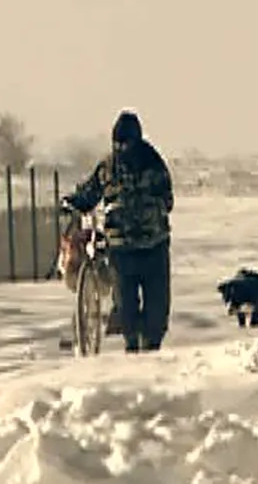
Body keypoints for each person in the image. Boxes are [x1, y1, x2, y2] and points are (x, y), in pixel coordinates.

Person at [62, 110, 174, 353]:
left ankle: (152, 349)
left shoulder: (153, 164)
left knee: (157, 314)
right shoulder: (108, 167)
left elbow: (167, 198)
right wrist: (75, 203)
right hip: (121, 251)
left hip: (154, 247)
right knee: (127, 312)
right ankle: (133, 352)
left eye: (126, 142)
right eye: (118, 143)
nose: (122, 148)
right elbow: (91, 193)